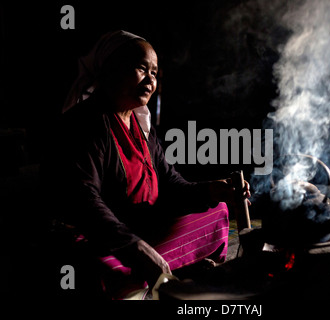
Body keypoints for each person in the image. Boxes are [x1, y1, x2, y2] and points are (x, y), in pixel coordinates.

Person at [42, 30, 250, 299]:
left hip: (139, 227)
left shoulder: (142, 126)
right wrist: (135, 247)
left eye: (154, 73)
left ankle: (152, 271)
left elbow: (170, 183)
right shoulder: (85, 124)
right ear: (109, 71)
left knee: (216, 212)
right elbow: (84, 202)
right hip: (100, 237)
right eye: (141, 68)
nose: (150, 80)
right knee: (98, 271)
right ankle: (149, 272)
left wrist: (211, 190)